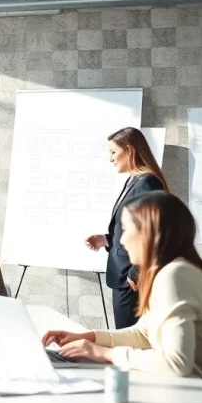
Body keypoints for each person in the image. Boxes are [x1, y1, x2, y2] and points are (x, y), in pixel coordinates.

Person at [45, 191, 202, 388]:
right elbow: (145, 333)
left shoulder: (175, 275)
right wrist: (90, 338)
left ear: (149, 232)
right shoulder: (172, 271)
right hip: (183, 388)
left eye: (126, 229)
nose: (122, 240)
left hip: (199, 394)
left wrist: (105, 353)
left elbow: (176, 363)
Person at [85, 127, 170, 330]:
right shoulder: (134, 181)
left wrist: (137, 271)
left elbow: (156, 232)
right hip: (125, 276)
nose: (111, 158)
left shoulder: (147, 183)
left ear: (130, 150)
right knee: (127, 338)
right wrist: (107, 239)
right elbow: (134, 229)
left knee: (129, 340)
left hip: (132, 279)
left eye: (113, 152)